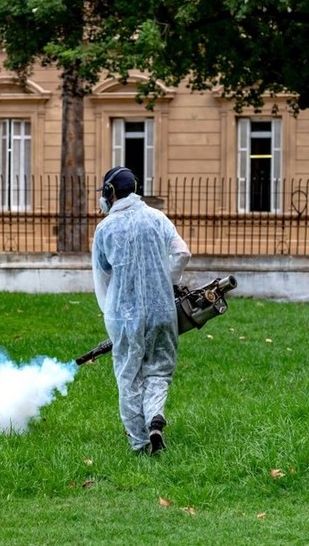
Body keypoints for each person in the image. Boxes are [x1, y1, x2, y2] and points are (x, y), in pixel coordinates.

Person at [91, 167, 191, 454]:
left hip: (124, 315)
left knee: (129, 377)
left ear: (109, 192)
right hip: (162, 310)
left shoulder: (105, 229)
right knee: (159, 370)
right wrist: (168, 283)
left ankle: (140, 442)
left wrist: (110, 311)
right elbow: (182, 252)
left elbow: (103, 275)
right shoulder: (157, 218)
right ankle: (155, 418)